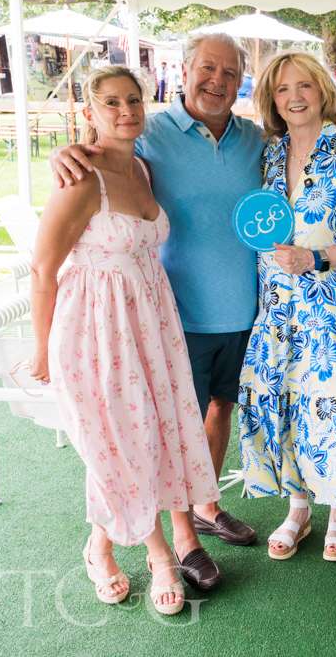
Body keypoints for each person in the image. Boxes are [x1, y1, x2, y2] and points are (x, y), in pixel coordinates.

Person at [49, 33, 266, 591]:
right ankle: (182, 540)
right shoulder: (150, 133)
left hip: (242, 307)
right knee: (164, 429)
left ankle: (205, 508)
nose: (217, 81)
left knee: (219, 409)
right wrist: (63, 151)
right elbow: (103, 150)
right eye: (207, 68)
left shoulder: (256, 138)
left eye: (230, 72)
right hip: (167, 317)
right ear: (185, 71)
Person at [30, 67, 221, 615]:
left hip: (150, 324)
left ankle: (99, 546)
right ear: (88, 112)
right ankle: (160, 557)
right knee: (119, 440)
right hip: (96, 331)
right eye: (111, 103)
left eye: (133, 100)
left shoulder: (141, 166)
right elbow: (43, 269)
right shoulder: (80, 178)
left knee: (145, 435)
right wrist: (42, 350)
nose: (126, 111)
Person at [237, 52, 336, 562]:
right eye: (283, 89)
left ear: (322, 91)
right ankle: (299, 506)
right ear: (272, 99)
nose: (295, 97)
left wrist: (318, 258)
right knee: (288, 402)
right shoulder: (269, 156)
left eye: (304, 86)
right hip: (278, 307)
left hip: (334, 308)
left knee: (335, 404)